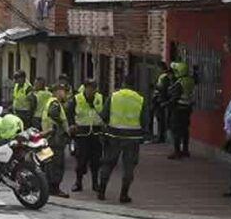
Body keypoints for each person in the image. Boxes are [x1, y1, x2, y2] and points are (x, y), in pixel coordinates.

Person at [97, 74, 148, 203]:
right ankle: (124, 194)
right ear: (134, 84)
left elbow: (104, 115)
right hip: (132, 138)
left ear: (123, 83)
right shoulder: (140, 99)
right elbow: (145, 120)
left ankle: (101, 191)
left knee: (108, 163)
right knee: (129, 166)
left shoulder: (114, 96)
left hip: (113, 135)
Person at [67, 79, 104, 192]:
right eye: (89, 88)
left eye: (94, 88)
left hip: (96, 132)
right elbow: (69, 113)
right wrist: (72, 124)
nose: (91, 91)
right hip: (82, 132)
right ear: (85, 87)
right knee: (81, 160)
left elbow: (105, 112)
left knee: (96, 160)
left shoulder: (100, 97)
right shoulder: (77, 98)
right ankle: (78, 182)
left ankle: (95, 183)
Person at [42, 83, 71, 198]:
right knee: (57, 164)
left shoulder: (50, 101)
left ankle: (48, 186)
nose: (65, 94)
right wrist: (62, 127)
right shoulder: (55, 103)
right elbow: (53, 113)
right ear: (57, 91)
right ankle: (55, 188)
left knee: (48, 163)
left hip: (48, 138)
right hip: (55, 139)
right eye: (64, 91)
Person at [166, 61, 195, 159]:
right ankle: (185, 150)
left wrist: (167, 104)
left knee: (176, 130)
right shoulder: (190, 80)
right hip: (187, 108)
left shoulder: (180, 83)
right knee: (185, 130)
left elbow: (175, 97)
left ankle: (177, 152)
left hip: (178, 109)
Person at [151, 62, 172, 143]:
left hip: (160, 101)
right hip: (159, 100)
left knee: (161, 120)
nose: (157, 70)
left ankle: (160, 137)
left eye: (158, 68)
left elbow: (163, 89)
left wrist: (155, 87)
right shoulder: (162, 77)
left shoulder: (164, 77)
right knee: (159, 119)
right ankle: (159, 136)